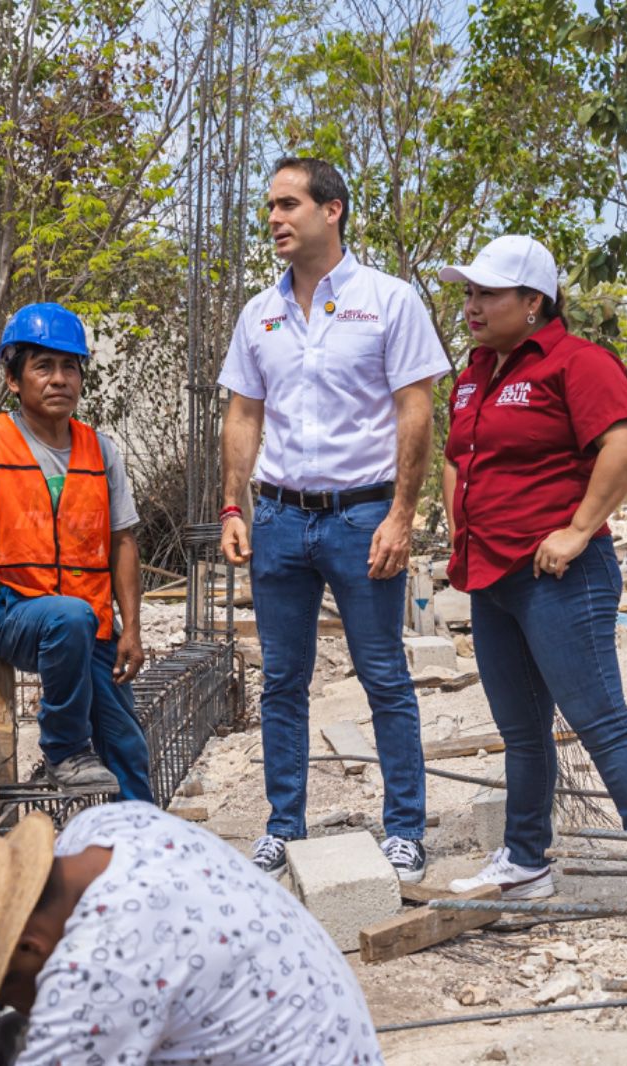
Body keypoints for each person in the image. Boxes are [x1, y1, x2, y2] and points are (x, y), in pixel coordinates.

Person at [437, 234, 627, 940]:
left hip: (558, 577)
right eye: (468, 292)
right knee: (520, 732)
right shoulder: (476, 371)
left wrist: (577, 529)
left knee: (602, 723)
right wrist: (464, 524)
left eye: (486, 293)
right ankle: (525, 860)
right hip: (490, 574)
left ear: (533, 302)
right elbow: (458, 458)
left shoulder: (579, 362)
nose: (471, 305)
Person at [218, 157, 448, 883]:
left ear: (333, 210)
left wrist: (403, 515)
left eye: (288, 205)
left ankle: (404, 828)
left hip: (364, 516)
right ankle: (284, 825)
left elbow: (417, 409)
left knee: (383, 673)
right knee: (283, 680)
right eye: (271, 208)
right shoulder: (259, 313)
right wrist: (234, 504)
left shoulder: (390, 301)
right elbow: (244, 413)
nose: (276, 220)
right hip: (281, 519)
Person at [0, 804, 383, 1064]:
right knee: (15, 1036)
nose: (1, 1003)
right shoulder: (106, 827)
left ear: (32, 947)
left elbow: (90, 987)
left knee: (11, 1042)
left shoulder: (95, 972)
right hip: (330, 1043)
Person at [0, 303, 153, 801]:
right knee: (69, 618)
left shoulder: (100, 450)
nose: (59, 379)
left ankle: (138, 849)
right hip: (13, 611)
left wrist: (133, 629)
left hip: (91, 622)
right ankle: (63, 751)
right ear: (14, 379)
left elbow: (123, 540)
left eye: (69, 367)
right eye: (43, 367)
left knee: (127, 746)